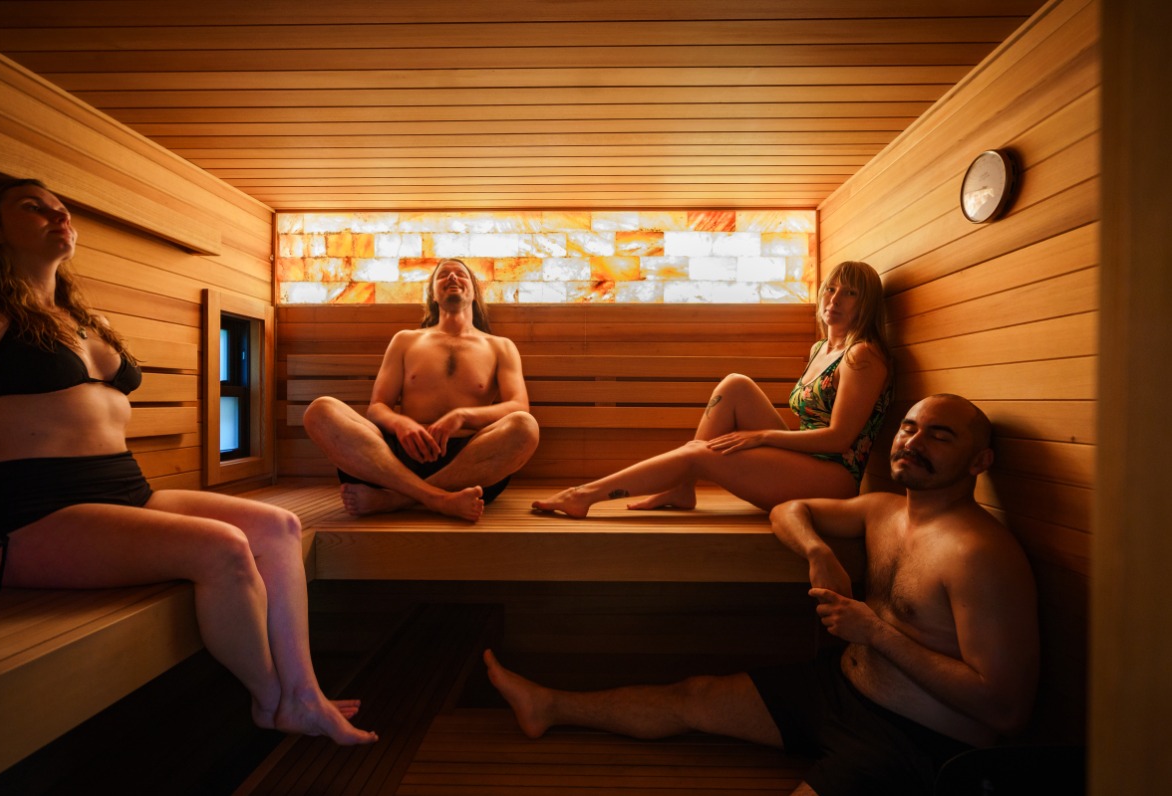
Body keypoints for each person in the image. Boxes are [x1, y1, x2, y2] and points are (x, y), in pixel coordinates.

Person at [0, 177, 376, 745]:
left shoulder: (80, 317)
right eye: (33, 207)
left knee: (280, 526)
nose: (58, 216)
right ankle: (273, 702)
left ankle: (304, 692)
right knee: (221, 547)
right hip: (33, 514)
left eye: (62, 208)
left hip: (125, 491)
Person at [485, 394, 1040, 796]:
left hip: (916, 744)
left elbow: (1006, 710)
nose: (914, 442)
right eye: (909, 428)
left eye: (940, 436)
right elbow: (788, 509)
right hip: (841, 691)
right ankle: (548, 706)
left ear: (980, 462)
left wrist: (874, 632)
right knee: (695, 695)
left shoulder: (979, 554)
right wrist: (817, 551)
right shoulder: (884, 511)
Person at [531, 260, 893, 518]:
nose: (834, 300)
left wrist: (761, 436)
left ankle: (584, 495)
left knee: (700, 453)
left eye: (850, 293)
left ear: (866, 305)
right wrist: (764, 439)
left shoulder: (862, 355)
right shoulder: (821, 349)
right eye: (831, 288)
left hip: (834, 479)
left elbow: (838, 439)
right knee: (735, 384)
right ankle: (681, 487)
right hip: (808, 462)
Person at [302, 258, 539, 523]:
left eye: (460, 274)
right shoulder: (406, 340)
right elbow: (377, 407)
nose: (452, 278)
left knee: (525, 426)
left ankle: (395, 499)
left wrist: (462, 416)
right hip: (395, 459)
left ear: (474, 291)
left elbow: (518, 406)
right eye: (443, 275)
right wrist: (401, 424)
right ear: (433, 294)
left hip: (469, 463)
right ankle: (439, 498)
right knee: (321, 410)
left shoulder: (500, 346)